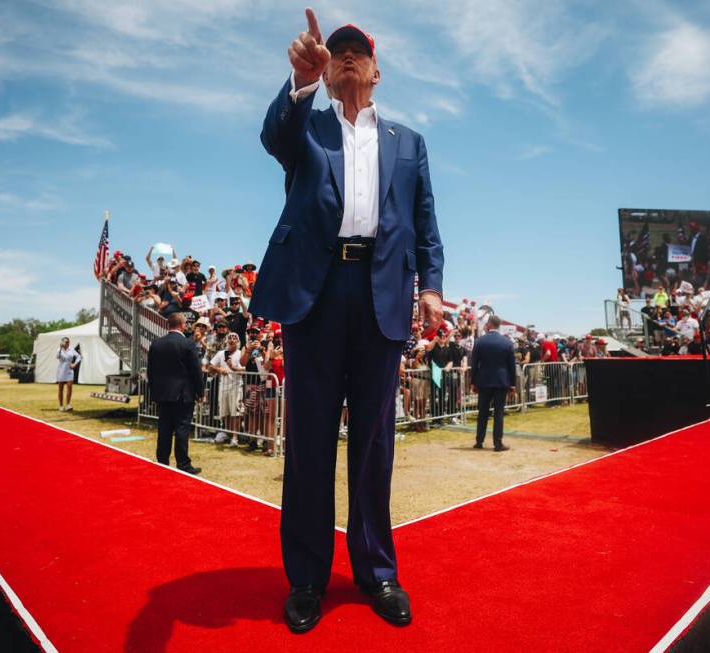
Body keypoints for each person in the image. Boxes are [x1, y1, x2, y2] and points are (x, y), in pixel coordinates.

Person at [251, 8, 444, 633]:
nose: (348, 57)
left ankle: (376, 571)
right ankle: (306, 578)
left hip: (383, 293)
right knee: (308, 441)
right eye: (338, 52)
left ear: (377, 70)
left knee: (374, 442)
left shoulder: (409, 143)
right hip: (317, 290)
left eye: (357, 51)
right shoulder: (306, 129)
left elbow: (426, 222)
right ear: (327, 70)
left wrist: (432, 287)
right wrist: (299, 83)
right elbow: (273, 136)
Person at [145, 312, 203, 475]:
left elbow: (151, 371)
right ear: (183, 325)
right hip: (183, 394)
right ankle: (183, 464)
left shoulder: (156, 344)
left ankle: (162, 461)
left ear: (168, 325)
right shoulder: (188, 344)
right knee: (182, 429)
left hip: (163, 394)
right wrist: (200, 392)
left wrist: (154, 393)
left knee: (164, 428)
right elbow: (196, 371)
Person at [470, 315, 515, 451]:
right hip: (501, 381)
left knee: (482, 412)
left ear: (489, 324)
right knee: (499, 413)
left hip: (483, 381)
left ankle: (479, 441)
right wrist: (512, 384)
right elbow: (511, 366)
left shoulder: (479, 341)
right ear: (499, 325)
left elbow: (474, 364)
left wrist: (473, 382)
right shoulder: (507, 342)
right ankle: (498, 443)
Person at [55, 337, 81, 411]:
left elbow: (79, 356)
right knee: (61, 388)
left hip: (69, 371)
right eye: (66, 342)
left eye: (68, 342)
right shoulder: (59, 350)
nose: (67, 343)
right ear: (62, 342)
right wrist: (60, 348)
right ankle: (61, 405)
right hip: (61, 371)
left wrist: (74, 364)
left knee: (69, 387)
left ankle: (68, 404)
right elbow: (57, 356)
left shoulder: (71, 349)